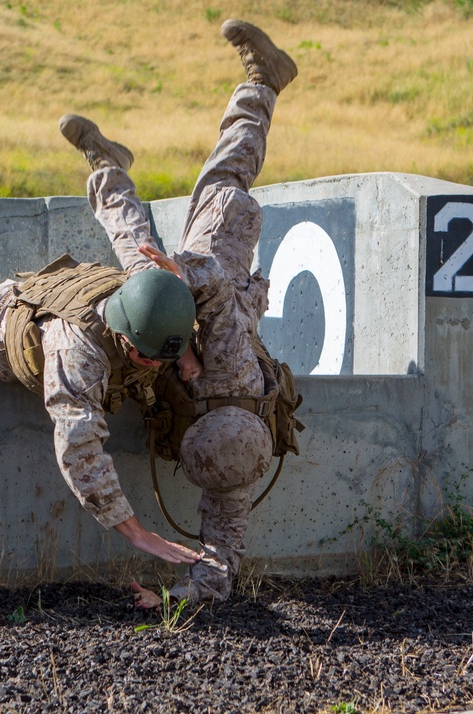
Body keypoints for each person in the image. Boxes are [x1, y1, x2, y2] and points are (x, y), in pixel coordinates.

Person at [58, 19, 297, 608]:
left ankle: (106, 167)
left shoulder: (231, 469)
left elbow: (218, 565)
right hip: (213, 286)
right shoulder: (231, 368)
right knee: (222, 186)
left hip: (181, 315)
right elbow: (213, 284)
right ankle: (263, 83)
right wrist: (178, 274)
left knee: (133, 251)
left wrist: (174, 599)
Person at [0, 226, 205, 567]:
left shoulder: (163, 292)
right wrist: (138, 533)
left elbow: (175, 307)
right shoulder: (77, 351)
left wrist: (185, 359)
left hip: (72, 293)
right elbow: (78, 447)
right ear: (123, 335)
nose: (155, 364)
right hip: (8, 327)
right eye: (146, 356)